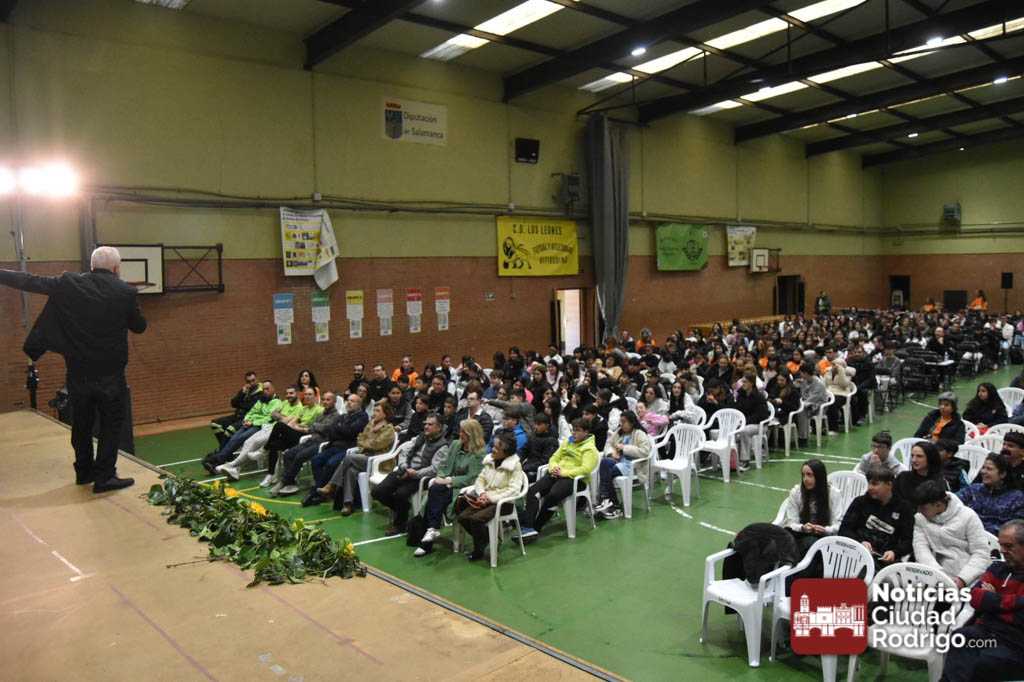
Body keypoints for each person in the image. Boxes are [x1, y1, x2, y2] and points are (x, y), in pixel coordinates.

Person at [0, 246, 147, 492]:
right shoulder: (125, 292)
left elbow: (29, 281)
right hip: (111, 375)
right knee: (111, 425)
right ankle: (105, 477)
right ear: (116, 268)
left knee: (81, 424)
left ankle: (84, 472)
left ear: (91, 265)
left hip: (78, 373)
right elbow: (139, 327)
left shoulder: (68, 284)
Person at [940, 519, 1024, 682]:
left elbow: (1020, 618)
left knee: (980, 663)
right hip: (986, 632)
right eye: (1001, 545)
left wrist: (991, 600)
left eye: (1009, 546)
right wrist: (1012, 603)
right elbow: (975, 597)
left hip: (1016, 643)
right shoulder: (997, 568)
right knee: (960, 638)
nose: (1002, 551)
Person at [414, 419, 487, 557]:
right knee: (436, 489)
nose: (460, 434)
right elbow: (444, 465)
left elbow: (472, 478)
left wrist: (448, 480)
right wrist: (441, 477)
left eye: (463, 432)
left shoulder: (479, 453)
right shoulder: (455, 445)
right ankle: (432, 530)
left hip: (464, 489)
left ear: (471, 434)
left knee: (434, 493)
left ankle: (428, 539)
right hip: (446, 486)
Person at [519, 418, 600, 540]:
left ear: (586, 432)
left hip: (575, 480)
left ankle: (536, 527)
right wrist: (553, 468)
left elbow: (585, 469)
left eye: (577, 431)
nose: (574, 433)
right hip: (556, 474)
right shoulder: (568, 442)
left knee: (553, 495)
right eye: (573, 430)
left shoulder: (590, 449)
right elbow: (554, 457)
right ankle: (528, 527)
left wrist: (564, 473)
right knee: (532, 491)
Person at [452, 431, 526, 562]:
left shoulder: (515, 466)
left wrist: (491, 498)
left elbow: (514, 490)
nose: (493, 449)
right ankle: (487, 539)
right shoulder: (489, 460)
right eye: (494, 446)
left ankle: (478, 550)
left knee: (476, 519)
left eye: (497, 448)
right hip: (485, 499)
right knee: (463, 517)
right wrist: (482, 493)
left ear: (506, 452)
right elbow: (480, 481)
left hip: (504, 503)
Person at [372, 413, 449, 534]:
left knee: (400, 495)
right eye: (425, 424)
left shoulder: (443, 446)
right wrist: (404, 466)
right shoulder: (420, 437)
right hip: (405, 469)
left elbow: (434, 468)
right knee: (377, 492)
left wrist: (415, 473)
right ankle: (404, 509)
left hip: (420, 477)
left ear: (439, 427)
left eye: (430, 424)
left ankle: (400, 525)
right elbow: (404, 452)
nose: (426, 427)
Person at [318, 401, 396, 515]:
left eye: (378, 411)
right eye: (374, 410)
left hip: (378, 462)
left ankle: (332, 485)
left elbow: (376, 444)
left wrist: (366, 442)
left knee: (349, 458)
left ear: (385, 414)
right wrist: (367, 442)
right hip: (364, 457)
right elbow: (359, 438)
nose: (374, 413)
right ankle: (348, 504)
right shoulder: (371, 424)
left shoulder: (389, 429)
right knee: (350, 470)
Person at [912, 480, 991, 589]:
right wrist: (937, 574)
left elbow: (981, 553)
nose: (919, 511)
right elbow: (920, 548)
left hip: (964, 576)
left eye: (923, 508)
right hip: (931, 574)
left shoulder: (968, 516)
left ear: (938, 505)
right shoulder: (920, 518)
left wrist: (963, 579)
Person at [839, 465, 914, 569]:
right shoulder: (860, 502)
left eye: (875, 484)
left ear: (889, 485)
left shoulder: (904, 508)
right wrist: (859, 542)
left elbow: (908, 540)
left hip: (883, 561)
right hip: (855, 554)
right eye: (869, 483)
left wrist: (894, 552)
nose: (870, 487)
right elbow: (844, 529)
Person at [202, 381, 280, 472]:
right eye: (263, 389)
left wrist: (253, 422)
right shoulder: (261, 400)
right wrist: (246, 420)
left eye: (267, 389)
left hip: (260, 427)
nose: (265, 391)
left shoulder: (277, 402)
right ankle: (220, 458)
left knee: (240, 439)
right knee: (234, 438)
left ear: (273, 389)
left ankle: (217, 460)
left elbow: (269, 418)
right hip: (249, 423)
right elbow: (252, 411)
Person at [774, 459, 844, 557]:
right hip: (801, 533)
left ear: (819, 477)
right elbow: (791, 521)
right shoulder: (796, 492)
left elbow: (838, 524)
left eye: (809, 475)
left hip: (825, 538)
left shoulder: (833, 494)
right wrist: (802, 528)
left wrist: (825, 530)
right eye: (803, 475)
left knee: (810, 543)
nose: (805, 479)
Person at [595, 411, 652, 520]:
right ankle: (609, 501)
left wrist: (624, 448)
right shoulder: (619, 432)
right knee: (605, 463)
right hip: (618, 462)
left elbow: (645, 452)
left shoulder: (639, 433)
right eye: (621, 422)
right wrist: (611, 453)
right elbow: (608, 444)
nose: (621, 424)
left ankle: (608, 500)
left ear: (631, 422)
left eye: (624, 422)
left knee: (607, 471)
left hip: (633, 467)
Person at [957, 454, 1024, 534]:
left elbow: (1015, 528)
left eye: (989, 469)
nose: (983, 471)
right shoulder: (973, 490)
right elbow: (954, 502)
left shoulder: (1017, 498)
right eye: (983, 468)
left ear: (1002, 474)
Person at [209, 371, 261, 447]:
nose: (251, 383)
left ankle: (223, 451)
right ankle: (224, 449)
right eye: (248, 381)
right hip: (237, 416)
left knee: (230, 430)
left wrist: (239, 404)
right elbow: (233, 403)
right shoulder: (245, 390)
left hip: (247, 418)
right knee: (215, 424)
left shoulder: (261, 392)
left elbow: (250, 407)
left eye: (253, 380)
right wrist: (242, 393)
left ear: (257, 379)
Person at [733, 372, 769, 470]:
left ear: (751, 383)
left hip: (759, 424)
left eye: (745, 382)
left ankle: (745, 461)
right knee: (731, 429)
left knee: (744, 431)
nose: (742, 384)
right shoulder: (740, 395)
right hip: (744, 423)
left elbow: (761, 415)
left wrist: (744, 422)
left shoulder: (759, 397)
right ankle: (732, 460)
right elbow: (738, 410)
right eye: (742, 382)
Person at [520, 414, 560, 482]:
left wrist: (526, 468)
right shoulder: (533, 436)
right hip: (527, 466)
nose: (535, 426)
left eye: (538, 424)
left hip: (539, 471)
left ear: (547, 425)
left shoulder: (552, 441)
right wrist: (518, 462)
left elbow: (545, 461)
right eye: (535, 424)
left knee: (518, 480)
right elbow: (523, 451)